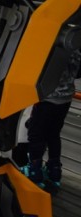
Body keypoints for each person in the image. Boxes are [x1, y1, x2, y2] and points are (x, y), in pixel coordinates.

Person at [23, 49, 81, 193]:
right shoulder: (75, 42)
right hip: (65, 97)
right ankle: (54, 171)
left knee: (36, 134)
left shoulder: (53, 44)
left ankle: (35, 172)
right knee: (53, 134)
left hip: (47, 98)